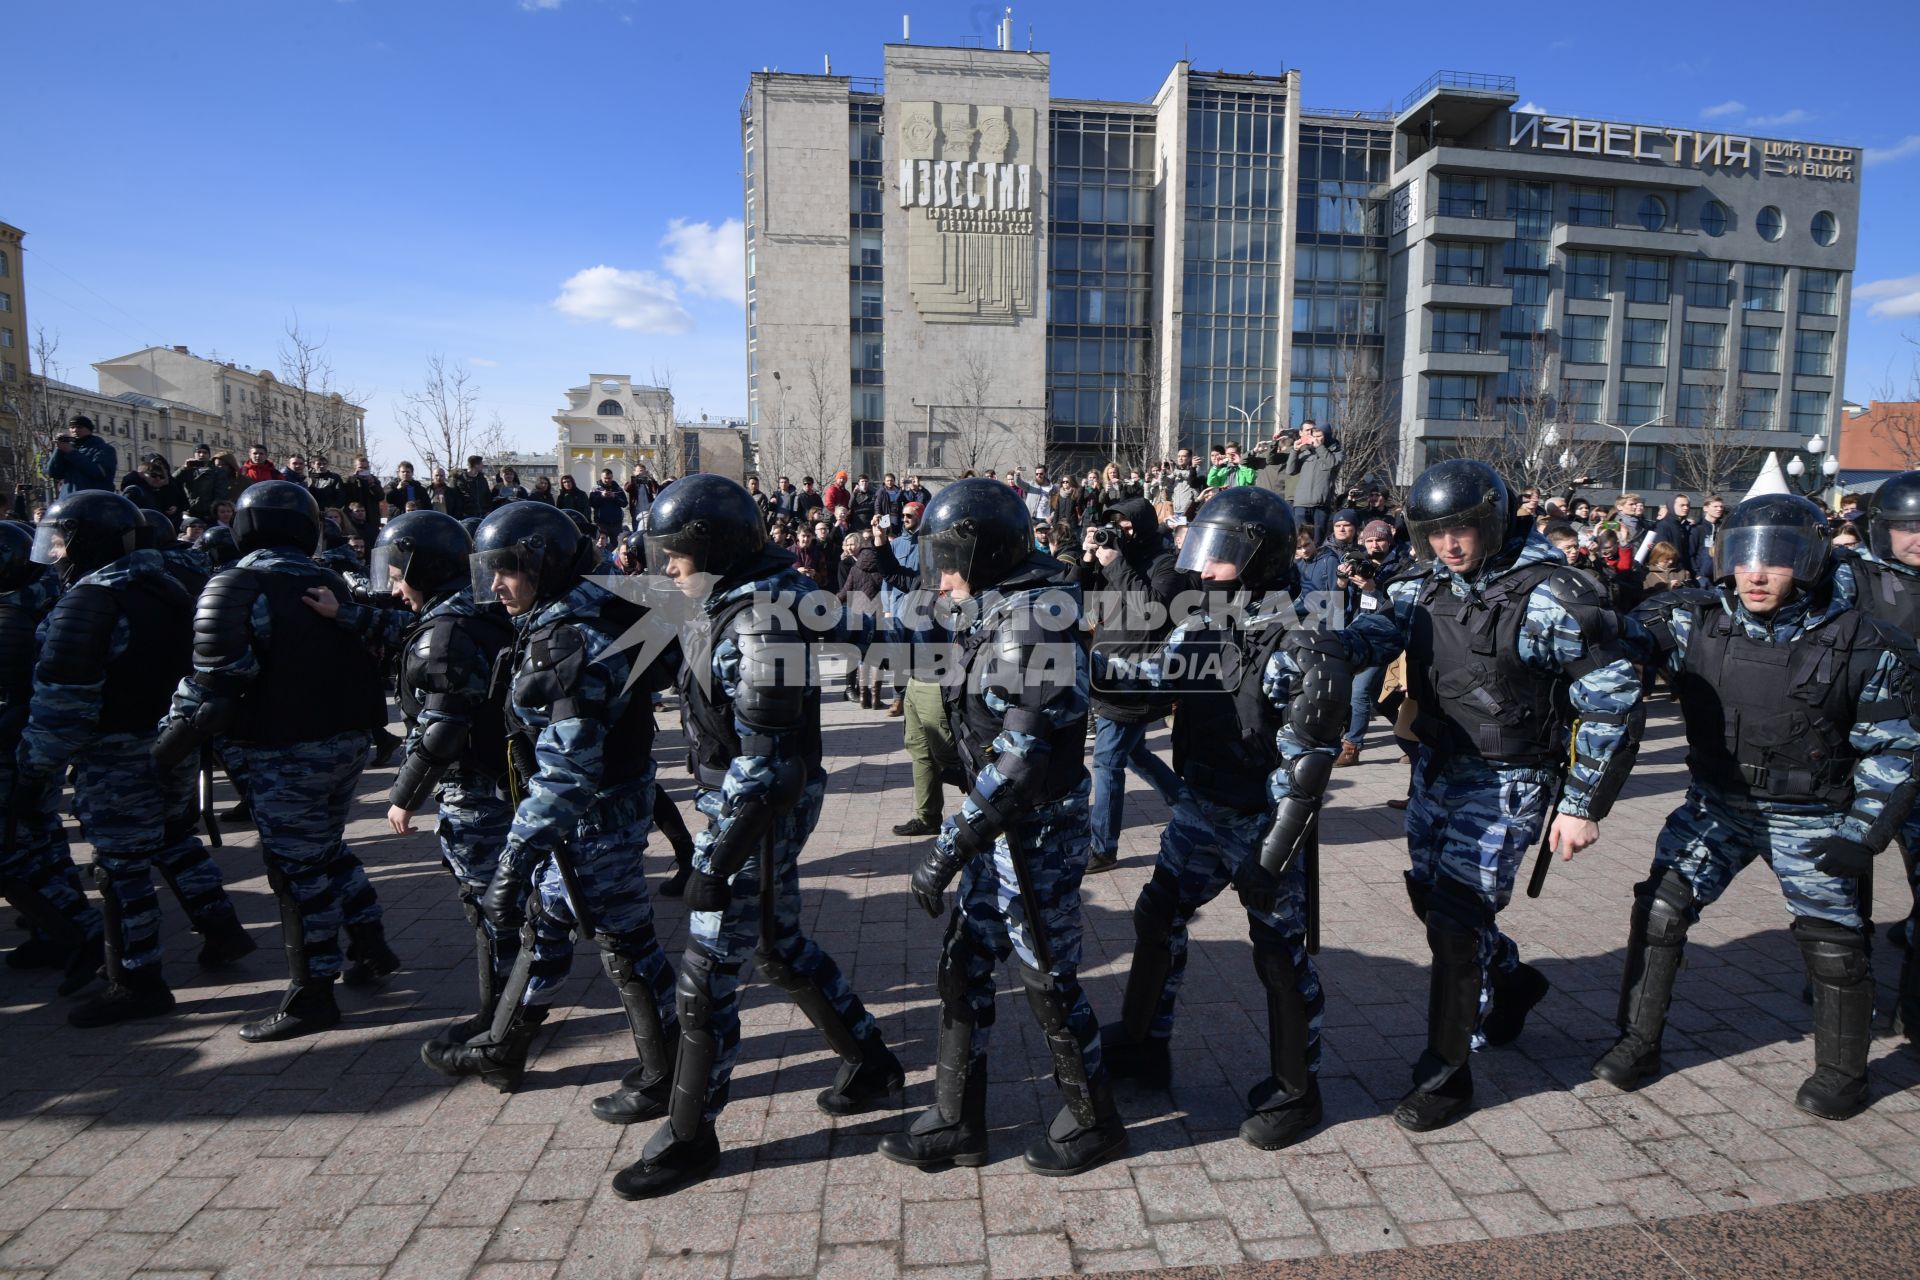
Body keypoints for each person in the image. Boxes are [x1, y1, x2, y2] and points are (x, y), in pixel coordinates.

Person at [611, 476, 900, 1197]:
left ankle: (689, 1135)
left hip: (758, 808)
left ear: (711, 549)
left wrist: (717, 857)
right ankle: (870, 1060)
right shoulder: (730, 595)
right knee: (776, 943)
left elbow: (767, 768)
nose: (666, 565)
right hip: (742, 801)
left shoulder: (759, 621)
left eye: (674, 552)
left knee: (708, 971)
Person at [1597, 494, 1920, 1119]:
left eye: (1776, 562)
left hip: (1816, 813)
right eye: (1745, 559)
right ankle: (1637, 1042)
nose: (1757, 574)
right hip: (1718, 806)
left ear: (1810, 562)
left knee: (1833, 944)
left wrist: (1865, 832)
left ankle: (1841, 1073)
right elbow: (1625, 635)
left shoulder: (1859, 642)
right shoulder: (1696, 620)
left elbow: (1896, 749)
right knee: (1660, 910)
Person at [1349, 460, 1645, 1131]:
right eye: (1437, 531)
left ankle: (1446, 1077)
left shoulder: (1553, 594)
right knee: (1434, 901)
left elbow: (1613, 702)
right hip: (1436, 767)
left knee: (1456, 924)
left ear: (1492, 520)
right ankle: (1512, 982)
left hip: (1511, 779)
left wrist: (1580, 806)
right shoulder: (1425, 583)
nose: (1451, 543)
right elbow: (1382, 630)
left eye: (1464, 529)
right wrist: (1328, 647)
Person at [1098, 486, 1384, 1149]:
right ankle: (1143, 1045)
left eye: (1221, 555)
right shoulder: (1204, 622)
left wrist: (1274, 852)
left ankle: (1296, 1090)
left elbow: (1307, 765)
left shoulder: (1302, 639)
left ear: (1261, 558)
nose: (1205, 568)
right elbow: (1152, 680)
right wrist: (1075, 667)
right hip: (1200, 806)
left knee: (1278, 955)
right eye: (1205, 552)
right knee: (1156, 916)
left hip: (1263, 819)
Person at [879, 478, 1127, 1176]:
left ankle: (1094, 1119)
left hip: (1034, 835)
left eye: (953, 557)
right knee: (963, 965)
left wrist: (948, 848)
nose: (945, 574)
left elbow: (1021, 759)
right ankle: (957, 1121)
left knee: (1048, 979)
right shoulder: (994, 608)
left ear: (987, 554)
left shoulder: (1033, 621)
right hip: (996, 832)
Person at [436, 504, 684, 1123]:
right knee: (543, 924)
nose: (497, 586)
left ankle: (665, 1075)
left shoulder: (571, 635)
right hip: (587, 818)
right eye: (490, 571)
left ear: (544, 568)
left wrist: (513, 860)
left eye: (509, 571)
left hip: (592, 823)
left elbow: (570, 769)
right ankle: (504, 1043)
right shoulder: (573, 613)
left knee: (626, 945)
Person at [156, 481, 398, 1041]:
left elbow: (214, 682)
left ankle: (311, 995)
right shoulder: (325, 578)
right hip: (341, 741)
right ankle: (370, 944)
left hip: (281, 747)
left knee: (296, 871)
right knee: (324, 851)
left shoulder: (237, 583)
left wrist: (162, 751)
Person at [302, 511, 518, 1064]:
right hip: (501, 781)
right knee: (502, 905)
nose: (395, 587)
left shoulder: (444, 633)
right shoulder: (472, 612)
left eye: (400, 574)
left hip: (473, 791)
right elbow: (407, 629)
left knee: (491, 908)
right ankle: (508, 1010)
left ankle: (504, 1019)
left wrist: (403, 794)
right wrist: (344, 613)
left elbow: (443, 728)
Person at [18, 491, 202, 1026]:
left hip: (116, 756)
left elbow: (62, 704)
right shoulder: (165, 586)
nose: (52, 551)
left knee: (120, 871)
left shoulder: (89, 601)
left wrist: (35, 772)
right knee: (166, 846)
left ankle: (136, 980)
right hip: (170, 746)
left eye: (59, 541)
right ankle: (203, 940)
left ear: (86, 541)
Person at [0, 520, 106, 992]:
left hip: (12, 750)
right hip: (34, 747)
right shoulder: (40, 603)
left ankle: (81, 932)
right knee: (41, 839)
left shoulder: (9, 619)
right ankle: (54, 933)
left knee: (14, 854)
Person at [1837, 472, 1920, 1046]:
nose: (1919, 538)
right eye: (1907, 527)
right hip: (1860, 753)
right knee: (1845, 872)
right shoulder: (1850, 577)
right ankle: (1844, 979)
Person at [1081, 498, 1181, 873]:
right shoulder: (1113, 558)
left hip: (1136, 679)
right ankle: (1186, 803)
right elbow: (1083, 602)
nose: (1119, 532)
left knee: (1106, 761)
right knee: (1135, 752)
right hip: (1106, 674)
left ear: (1141, 525)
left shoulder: (1165, 562)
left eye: (1126, 525)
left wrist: (1117, 564)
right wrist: (1090, 560)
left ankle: (1102, 847)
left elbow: (1154, 613)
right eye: (1114, 525)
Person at [1287, 422, 1344, 544]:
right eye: (1314, 436)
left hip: (1321, 505)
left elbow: (1332, 464)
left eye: (1319, 436)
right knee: (1300, 540)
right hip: (1301, 504)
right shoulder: (1307, 451)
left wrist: (1319, 447)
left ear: (1327, 436)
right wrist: (1295, 450)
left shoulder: (1336, 452)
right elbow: (1290, 470)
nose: (1315, 439)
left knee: (1317, 541)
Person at [45, 416, 118, 497]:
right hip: (70, 500)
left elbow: (98, 472)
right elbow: (53, 473)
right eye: (72, 427)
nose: (75, 430)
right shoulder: (67, 448)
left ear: (89, 429)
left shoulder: (104, 449)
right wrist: (59, 449)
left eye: (79, 427)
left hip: (94, 499)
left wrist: (71, 452)